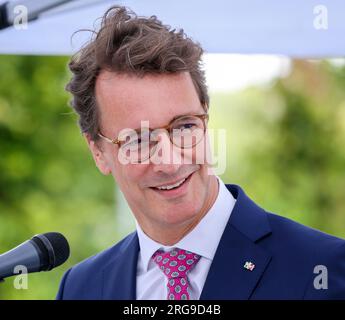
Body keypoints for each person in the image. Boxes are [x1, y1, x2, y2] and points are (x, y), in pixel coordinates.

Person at [56, 5, 345, 300]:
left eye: (184, 127)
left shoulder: (322, 268)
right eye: (138, 139)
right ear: (98, 152)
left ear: (206, 118)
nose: (169, 161)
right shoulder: (80, 288)